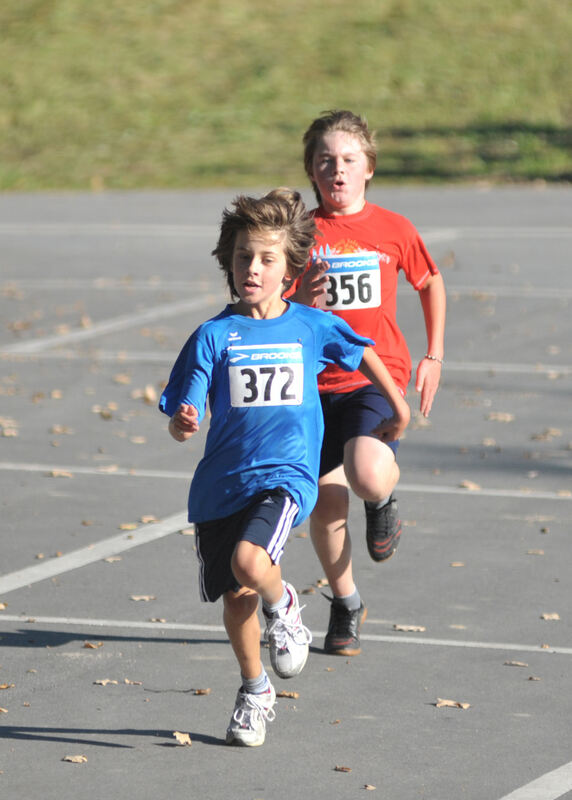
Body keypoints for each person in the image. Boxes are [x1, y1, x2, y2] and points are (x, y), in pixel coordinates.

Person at [159, 188, 410, 747]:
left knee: (254, 564)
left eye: (267, 259)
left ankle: (288, 603)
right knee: (236, 597)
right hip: (223, 484)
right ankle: (254, 690)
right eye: (244, 256)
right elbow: (187, 400)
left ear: (289, 270)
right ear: (228, 262)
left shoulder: (308, 325)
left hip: (286, 475)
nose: (253, 267)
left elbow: (359, 347)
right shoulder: (213, 335)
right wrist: (183, 420)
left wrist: (396, 402)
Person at [290, 110, 446, 658]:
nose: (337, 170)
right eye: (325, 161)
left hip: (376, 377)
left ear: (368, 168)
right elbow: (276, 308)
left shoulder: (393, 228)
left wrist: (433, 355)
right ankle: (347, 602)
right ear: (311, 170)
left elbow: (430, 282)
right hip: (313, 385)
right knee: (325, 508)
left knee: (365, 473)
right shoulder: (301, 234)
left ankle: (383, 499)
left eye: (349, 160)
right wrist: (301, 298)